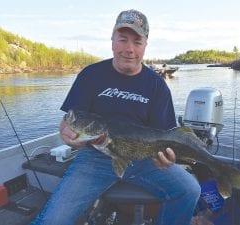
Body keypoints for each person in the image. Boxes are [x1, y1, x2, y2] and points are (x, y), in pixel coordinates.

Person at [30, 9, 201, 225]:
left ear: (145, 46)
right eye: (123, 40)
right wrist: (65, 129)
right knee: (53, 220)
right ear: (112, 41)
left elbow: (164, 136)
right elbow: (70, 118)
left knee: (190, 190)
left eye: (137, 42)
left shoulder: (157, 85)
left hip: (143, 159)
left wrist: (168, 159)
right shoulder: (91, 75)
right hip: (95, 157)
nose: (129, 49)